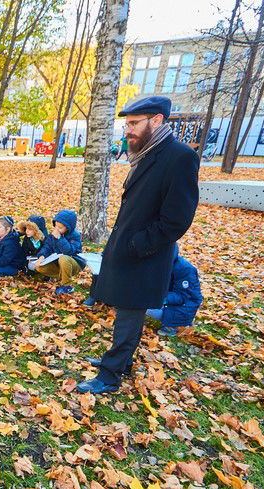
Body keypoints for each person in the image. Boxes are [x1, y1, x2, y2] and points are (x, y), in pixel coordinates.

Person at [78, 96, 200, 395]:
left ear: (156, 120)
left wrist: (137, 245)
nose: (128, 130)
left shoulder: (179, 157)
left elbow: (177, 219)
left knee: (129, 317)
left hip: (146, 257)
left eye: (134, 123)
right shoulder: (147, 152)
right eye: (127, 124)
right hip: (129, 250)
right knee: (124, 313)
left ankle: (109, 376)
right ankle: (120, 361)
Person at [144, 247, 203, 336]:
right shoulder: (158, 264)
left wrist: (158, 298)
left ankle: (174, 325)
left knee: (143, 305)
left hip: (183, 306)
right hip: (165, 296)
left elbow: (183, 296)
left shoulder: (185, 269)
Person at [33, 210, 86, 294]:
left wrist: (60, 238)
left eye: (60, 228)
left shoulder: (75, 236)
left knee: (64, 258)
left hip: (74, 262)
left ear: (68, 228)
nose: (57, 229)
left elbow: (69, 252)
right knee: (39, 266)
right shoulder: (54, 233)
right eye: (56, 226)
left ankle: (67, 286)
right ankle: (60, 277)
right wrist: (41, 256)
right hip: (58, 263)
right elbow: (47, 246)